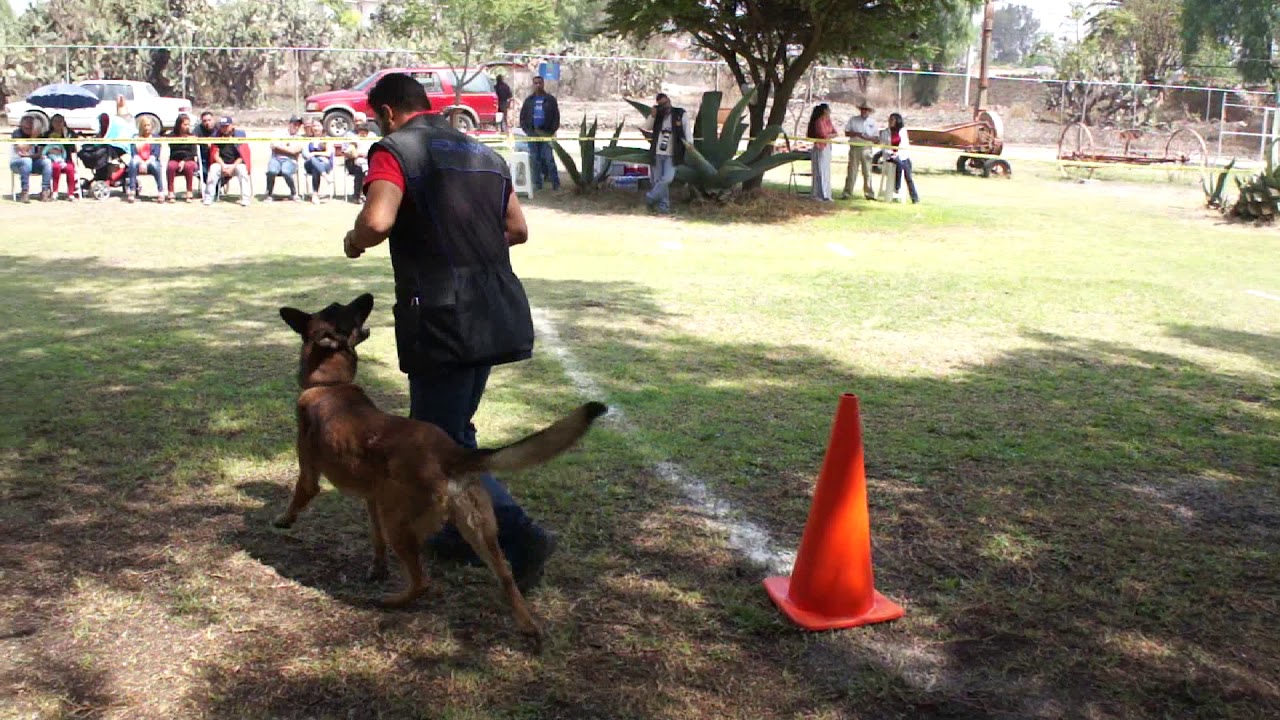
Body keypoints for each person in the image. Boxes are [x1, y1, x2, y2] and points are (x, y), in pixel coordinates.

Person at [341, 72, 556, 592]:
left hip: (441, 315)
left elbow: (377, 221)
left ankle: (520, 537)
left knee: (437, 442)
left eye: (376, 118)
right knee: (453, 428)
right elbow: (517, 229)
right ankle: (460, 532)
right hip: (493, 307)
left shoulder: (394, 149)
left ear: (388, 112)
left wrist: (354, 240)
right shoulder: (485, 154)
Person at [642, 92, 691, 214]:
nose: (666, 106)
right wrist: (652, 116)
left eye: (666, 103)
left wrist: (690, 145)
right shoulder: (658, 115)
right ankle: (663, 207)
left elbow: (687, 130)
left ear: (669, 101)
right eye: (662, 105)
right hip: (657, 152)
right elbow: (646, 127)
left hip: (672, 153)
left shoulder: (680, 114)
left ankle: (650, 197)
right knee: (658, 180)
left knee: (667, 179)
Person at [518, 75, 560, 191]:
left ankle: (555, 183)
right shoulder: (529, 101)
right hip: (532, 133)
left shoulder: (550, 100)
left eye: (540, 83)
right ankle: (537, 184)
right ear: (533, 85)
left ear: (543, 84)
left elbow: (556, 116)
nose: (538, 85)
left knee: (548, 158)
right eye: (535, 83)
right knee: (534, 159)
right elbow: (522, 117)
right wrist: (527, 130)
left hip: (546, 133)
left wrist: (552, 130)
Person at [203, 116, 251, 206]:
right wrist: (223, 166)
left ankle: (245, 198)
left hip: (236, 164)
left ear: (231, 126)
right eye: (222, 126)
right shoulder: (216, 136)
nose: (224, 128)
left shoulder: (239, 136)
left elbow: (242, 156)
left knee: (242, 170)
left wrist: (232, 167)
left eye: (226, 126)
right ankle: (209, 197)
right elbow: (215, 154)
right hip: (221, 164)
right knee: (213, 169)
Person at [10, 114, 52, 203]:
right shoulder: (17, 133)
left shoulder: (40, 135)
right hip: (17, 162)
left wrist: (32, 155)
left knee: (47, 162)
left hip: (33, 162)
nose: (28, 129)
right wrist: (32, 138)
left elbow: (39, 153)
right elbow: (21, 150)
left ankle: (45, 191)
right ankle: (24, 192)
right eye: (26, 127)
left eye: (30, 127)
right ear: (21, 125)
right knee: (26, 161)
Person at [842, 102, 878, 200]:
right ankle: (847, 192)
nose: (864, 111)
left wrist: (868, 137)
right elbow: (846, 132)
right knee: (852, 171)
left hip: (867, 148)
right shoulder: (853, 120)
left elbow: (876, 138)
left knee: (867, 171)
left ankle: (869, 193)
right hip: (855, 147)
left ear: (869, 111)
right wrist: (857, 134)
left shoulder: (873, 122)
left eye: (866, 110)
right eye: (863, 109)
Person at [881, 112, 919, 204]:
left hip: (902, 156)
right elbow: (883, 146)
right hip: (890, 156)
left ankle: (915, 197)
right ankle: (897, 187)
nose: (890, 121)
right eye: (889, 119)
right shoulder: (885, 132)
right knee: (899, 163)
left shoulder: (903, 131)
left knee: (908, 174)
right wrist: (891, 153)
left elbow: (905, 145)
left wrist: (898, 154)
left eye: (892, 120)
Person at [127, 115, 167, 203]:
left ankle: (161, 191)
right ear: (141, 126)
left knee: (155, 165)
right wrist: (141, 162)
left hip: (151, 161)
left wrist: (146, 163)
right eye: (145, 125)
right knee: (133, 162)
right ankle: (132, 190)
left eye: (148, 125)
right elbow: (134, 153)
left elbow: (156, 154)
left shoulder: (156, 138)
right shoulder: (135, 137)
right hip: (138, 161)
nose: (147, 128)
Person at [265, 115, 305, 202]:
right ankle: (269, 194)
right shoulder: (278, 133)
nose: (296, 127)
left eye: (298, 125)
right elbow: (273, 147)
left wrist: (280, 148)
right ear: (289, 124)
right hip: (276, 159)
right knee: (271, 171)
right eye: (295, 124)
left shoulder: (301, 138)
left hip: (291, 161)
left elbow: (295, 151)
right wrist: (289, 151)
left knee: (286, 171)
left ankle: (294, 193)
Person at [165, 113, 201, 202]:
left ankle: (189, 191)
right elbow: (173, 150)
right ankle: (171, 192)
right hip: (175, 159)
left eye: (188, 124)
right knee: (171, 166)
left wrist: (184, 161)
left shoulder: (191, 137)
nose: (187, 126)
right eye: (185, 124)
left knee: (188, 166)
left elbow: (194, 153)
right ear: (179, 124)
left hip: (189, 160)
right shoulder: (172, 136)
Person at [42, 114, 78, 202]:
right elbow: (42, 148)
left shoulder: (69, 133)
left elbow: (73, 149)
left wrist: (66, 139)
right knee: (56, 167)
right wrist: (49, 151)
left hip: (66, 159)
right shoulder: (46, 134)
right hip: (51, 160)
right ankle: (55, 192)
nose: (58, 123)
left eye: (60, 121)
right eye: (55, 121)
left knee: (70, 169)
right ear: (51, 123)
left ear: (64, 123)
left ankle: (71, 194)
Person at [807, 103, 837, 202]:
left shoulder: (828, 121)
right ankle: (818, 194)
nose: (830, 112)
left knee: (826, 171)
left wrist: (830, 135)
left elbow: (835, 132)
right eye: (828, 110)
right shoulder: (819, 122)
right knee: (819, 170)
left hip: (827, 146)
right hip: (820, 147)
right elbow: (823, 134)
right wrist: (829, 135)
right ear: (824, 110)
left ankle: (826, 194)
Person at [342, 121, 376, 202]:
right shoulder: (354, 139)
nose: (363, 134)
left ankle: (370, 195)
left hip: (369, 160)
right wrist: (356, 154)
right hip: (355, 161)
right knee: (359, 170)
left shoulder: (373, 137)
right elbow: (349, 151)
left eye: (365, 132)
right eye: (361, 132)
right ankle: (357, 195)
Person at [302, 120, 333, 204]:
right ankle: (325, 175)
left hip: (324, 164)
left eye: (318, 126)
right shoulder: (308, 139)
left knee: (315, 168)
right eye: (314, 126)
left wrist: (315, 154)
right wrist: (319, 157)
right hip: (309, 163)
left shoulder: (327, 139)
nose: (316, 128)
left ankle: (315, 195)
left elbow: (328, 153)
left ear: (322, 127)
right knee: (313, 160)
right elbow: (305, 154)